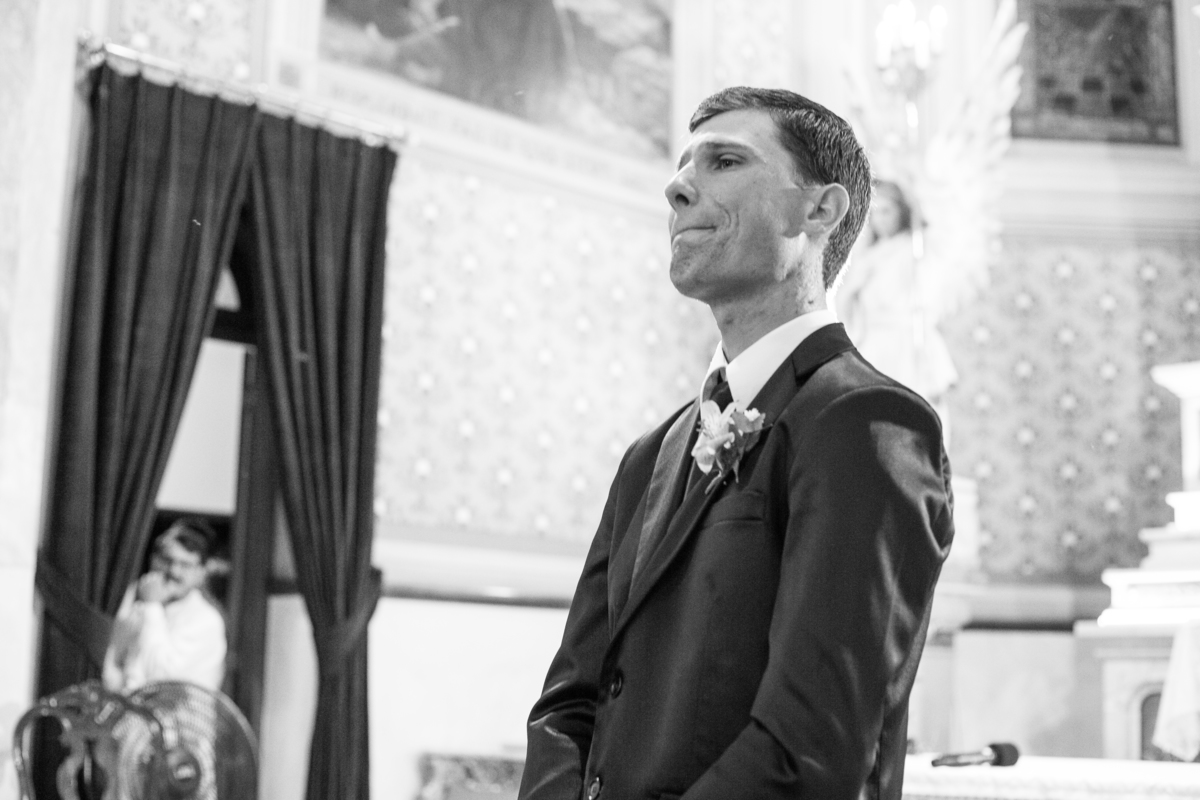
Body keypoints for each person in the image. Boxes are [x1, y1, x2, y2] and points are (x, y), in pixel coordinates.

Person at [518, 87, 954, 800]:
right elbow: (569, 707)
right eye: (683, 166)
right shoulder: (650, 456)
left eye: (724, 161)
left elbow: (811, 747)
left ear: (820, 211)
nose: (677, 187)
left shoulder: (868, 424)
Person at [834, 179, 958, 426]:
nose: (880, 220)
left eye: (887, 211)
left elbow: (926, 297)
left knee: (911, 417)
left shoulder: (914, 250)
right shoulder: (867, 256)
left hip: (906, 345)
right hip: (872, 344)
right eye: (875, 213)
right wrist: (855, 286)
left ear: (901, 211)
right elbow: (844, 307)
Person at [102, 518, 227, 693]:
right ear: (153, 560)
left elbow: (161, 680)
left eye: (185, 565)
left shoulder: (206, 620)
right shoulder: (138, 600)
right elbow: (113, 658)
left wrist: (152, 606)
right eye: (167, 560)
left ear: (201, 572)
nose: (173, 571)